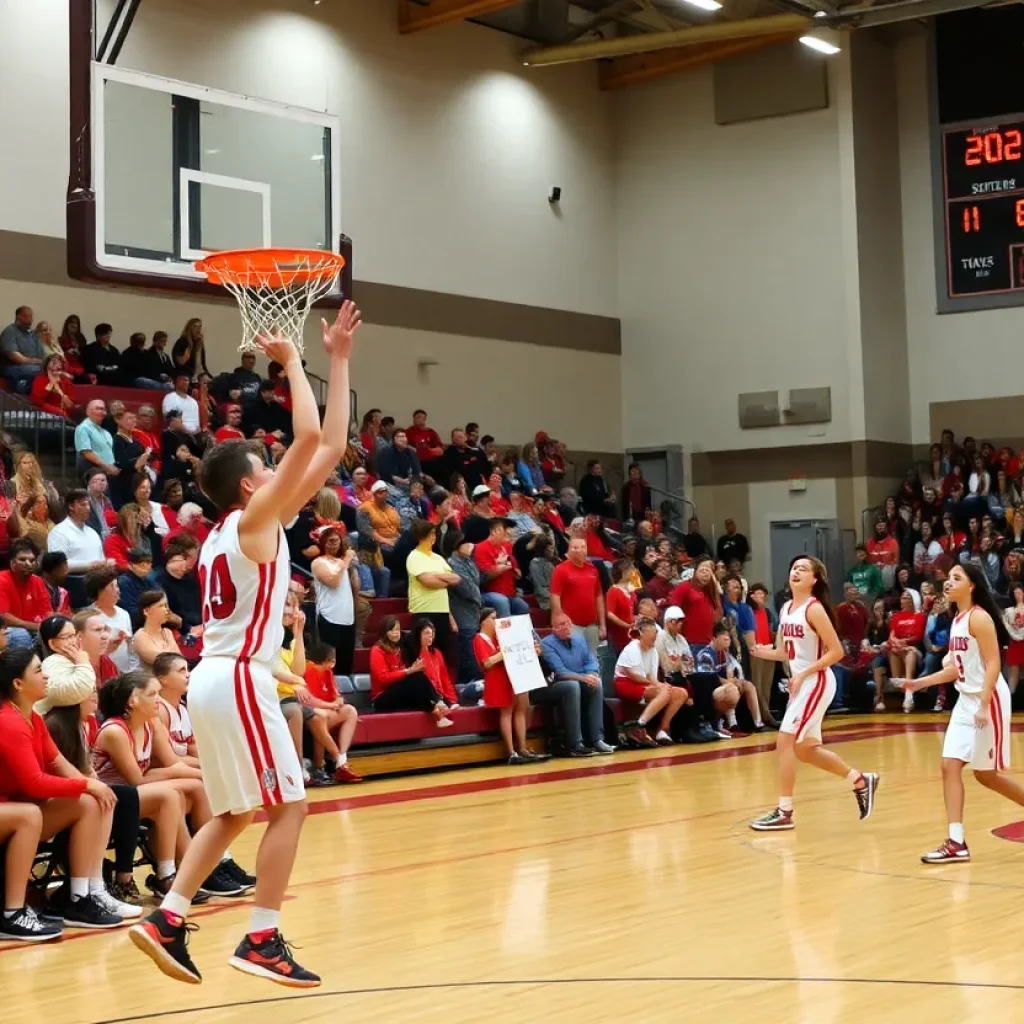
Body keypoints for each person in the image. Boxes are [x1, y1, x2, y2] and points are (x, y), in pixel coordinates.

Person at [129, 300, 360, 987]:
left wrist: (324, 362)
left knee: (234, 811)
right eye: (269, 466)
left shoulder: (232, 533)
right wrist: (306, 364)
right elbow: (315, 445)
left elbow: (329, 447)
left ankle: (166, 918)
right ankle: (261, 936)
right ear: (253, 484)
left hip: (214, 676)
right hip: (236, 678)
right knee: (290, 804)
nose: (282, 470)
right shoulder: (255, 520)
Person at [897, 563, 1024, 863]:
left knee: (986, 776)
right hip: (966, 701)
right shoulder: (957, 620)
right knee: (948, 766)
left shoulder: (979, 618)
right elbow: (957, 668)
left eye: (957, 578)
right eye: (948, 577)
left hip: (987, 699)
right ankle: (956, 842)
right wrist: (919, 683)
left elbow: (994, 663)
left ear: (972, 586)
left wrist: (982, 704)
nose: (948, 583)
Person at [749, 556, 879, 831]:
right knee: (806, 750)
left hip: (817, 680)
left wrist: (804, 674)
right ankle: (859, 779)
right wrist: (763, 652)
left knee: (784, 742)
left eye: (803, 569)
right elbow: (786, 652)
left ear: (814, 579)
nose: (796, 571)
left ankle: (785, 811)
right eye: (793, 567)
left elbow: (837, 652)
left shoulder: (815, 609)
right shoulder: (786, 608)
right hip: (803, 682)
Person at [0, 647, 125, 928]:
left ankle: (78, 896)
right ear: (18, 684)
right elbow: (35, 782)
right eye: (37, 671)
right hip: (12, 809)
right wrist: (86, 784)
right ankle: (13, 914)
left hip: (13, 806)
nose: (45, 676)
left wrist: (92, 786)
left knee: (91, 801)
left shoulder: (31, 717)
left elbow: (56, 762)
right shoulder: (8, 721)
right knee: (30, 814)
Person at [473, 608, 548, 765]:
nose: (496, 622)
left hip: (511, 676)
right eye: (493, 618)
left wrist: (530, 649)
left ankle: (522, 748)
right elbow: (486, 663)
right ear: (483, 621)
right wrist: (506, 651)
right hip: (497, 679)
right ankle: (511, 751)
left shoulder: (497, 638)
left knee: (521, 710)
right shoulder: (479, 639)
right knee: (506, 713)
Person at [539, 612, 615, 755]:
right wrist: (582, 678)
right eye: (562, 625)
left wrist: (591, 674)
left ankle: (597, 739)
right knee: (572, 686)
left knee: (596, 682)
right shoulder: (547, 644)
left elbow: (591, 661)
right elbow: (560, 672)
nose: (567, 627)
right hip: (555, 684)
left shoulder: (579, 640)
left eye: (568, 623)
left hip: (579, 679)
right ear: (553, 628)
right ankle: (575, 743)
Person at [615, 618, 688, 747]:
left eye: (655, 633)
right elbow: (635, 676)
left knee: (680, 693)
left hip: (643, 682)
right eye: (652, 633)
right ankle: (639, 725)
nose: (654, 637)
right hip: (625, 683)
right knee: (665, 692)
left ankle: (663, 730)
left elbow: (652, 677)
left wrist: (661, 684)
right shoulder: (632, 648)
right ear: (642, 634)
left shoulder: (653, 651)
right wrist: (659, 686)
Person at [369, 616, 454, 725]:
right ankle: (437, 703)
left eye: (397, 630)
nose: (396, 633)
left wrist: (412, 669)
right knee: (416, 678)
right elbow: (383, 678)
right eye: (392, 630)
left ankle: (436, 710)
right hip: (381, 698)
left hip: (399, 693)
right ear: (384, 632)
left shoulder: (400, 650)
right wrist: (408, 671)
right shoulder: (377, 650)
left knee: (419, 677)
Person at [301, 641, 361, 784]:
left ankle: (342, 756)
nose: (333, 662)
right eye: (331, 658)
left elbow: (337, 696)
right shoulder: (308, 669)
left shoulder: (328, 672)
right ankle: (320, 767)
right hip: (312, 711)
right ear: (323, 658)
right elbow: (309, 700)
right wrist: (331, 705)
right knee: (322, 717)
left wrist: (336, 702)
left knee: (350, 711)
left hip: (327, 709)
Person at [310, 527, 358, 677]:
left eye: (337, 540)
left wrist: (351, 568)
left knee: (346, 661)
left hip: (347, 617)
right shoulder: (318, 563)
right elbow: (333, 582)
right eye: (330, 541)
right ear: (323, 542)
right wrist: (346, 560)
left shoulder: (343, 562)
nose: (334, 544)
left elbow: (354, 587)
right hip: (329, 616)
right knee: (329, 661)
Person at [549, 536, 606, 652]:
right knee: (575, 658)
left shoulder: (593, 569)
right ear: (569, 550)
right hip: (571, 624)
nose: (579, 550)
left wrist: (602, 624)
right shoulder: (561, 569)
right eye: (575, 547)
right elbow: (555, 596)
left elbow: (599, 597)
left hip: (591, 624)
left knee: (593, 658)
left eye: (583, 547)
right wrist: (560, 620)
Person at [84, 565, 138, 673]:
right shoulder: (88, 617)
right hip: (100, 673)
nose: (117, 590)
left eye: (117, 586)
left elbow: (131, 647)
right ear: (99, 590)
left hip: (125, 673)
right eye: (112, 586)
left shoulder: (124, 614)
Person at [0, 539, 52, 649]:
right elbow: (3, 616)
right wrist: (36, 627)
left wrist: (51, 626)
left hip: (33, 629)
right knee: (21, 635)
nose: (28, 564)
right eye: (22, 559)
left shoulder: (38, 581)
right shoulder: (2, 580)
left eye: (32, 560)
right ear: (12, 562)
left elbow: (47, 612)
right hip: (7, 630)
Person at [474, 518, 529, 618]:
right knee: (501, 601)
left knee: (523, 607)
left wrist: (511, 567)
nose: (508, 538)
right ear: (495, 531)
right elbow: (484, 577)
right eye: (506, 534)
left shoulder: (507, 547)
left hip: (509, 592)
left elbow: (518, 575)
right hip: (489, 592)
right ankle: (504, 632)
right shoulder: (480, 548)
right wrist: (499, 567)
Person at [133, 590, 182, 669]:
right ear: (146, 611)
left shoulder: (167, 632)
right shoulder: (140, 637)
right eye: (161, 606)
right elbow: (163, 663)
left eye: (166, 605)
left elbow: (180, 659)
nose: (167, 610)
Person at [1, 306, 44, 392]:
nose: (30, 320)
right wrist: (40, 362)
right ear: (18, 317)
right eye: (27, 317)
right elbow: (17, 358)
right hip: (13, 367)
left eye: (31, 317)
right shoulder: (10, 331)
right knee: (40, 370)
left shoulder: (33, 334)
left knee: (51, 370)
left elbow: (42, 354)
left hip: (32, 366)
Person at [74, 399, 117, 480]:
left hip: (110, 474)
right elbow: (86, 453)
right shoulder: (83, 428)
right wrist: (107, 467)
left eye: (103, 409)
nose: (101, 412)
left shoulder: (106, 432)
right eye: (98, 408)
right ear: (88, 412)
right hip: (93, 475)